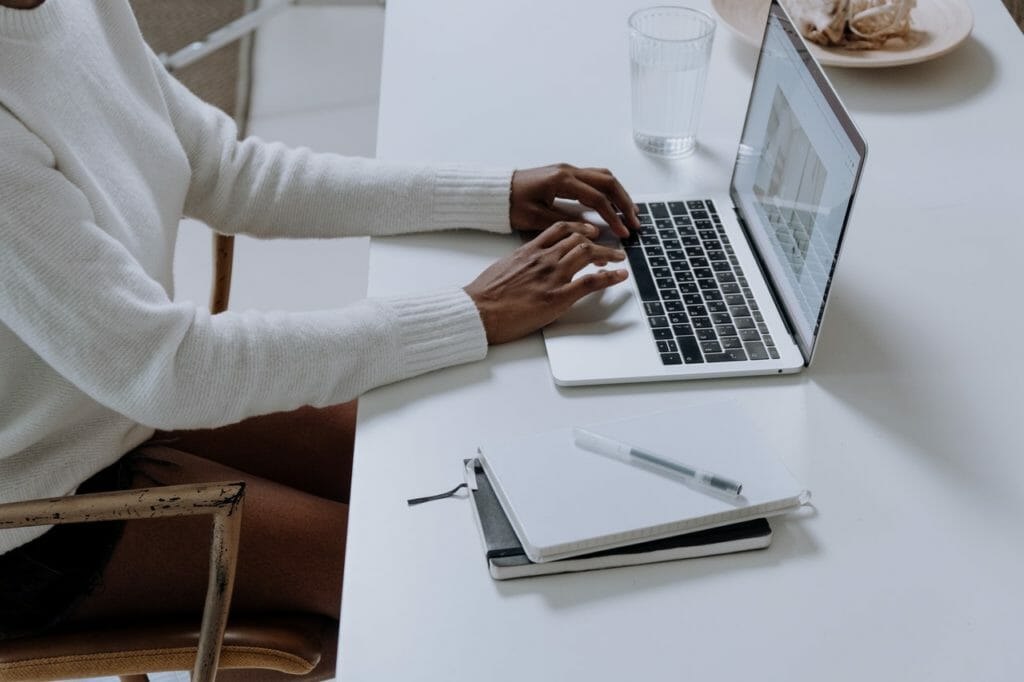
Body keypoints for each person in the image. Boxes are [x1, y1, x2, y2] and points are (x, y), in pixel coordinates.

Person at [0, 0, 638, 658]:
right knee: (401, 585)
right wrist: (471, 311)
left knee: (433, 471)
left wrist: (490, 194)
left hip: (110, 396)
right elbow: (172, 370)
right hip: (27, 515)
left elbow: (227, 170)